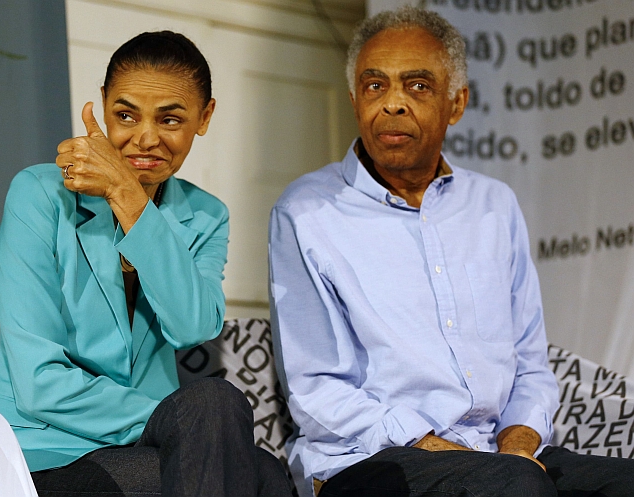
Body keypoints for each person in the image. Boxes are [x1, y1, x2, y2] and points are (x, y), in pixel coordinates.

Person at [268, 7, 634, 497]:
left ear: (456, 103)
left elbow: (529, 364)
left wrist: (518, 447)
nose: (392, 104)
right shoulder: (307, 211)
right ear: (355, 99)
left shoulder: (493, 206)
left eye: (417, 85)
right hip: (368, 460)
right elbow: (318, 391)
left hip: (499, 455)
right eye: (375, 86)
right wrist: (469, 460)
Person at [0, 31, 291, 497]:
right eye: (125, 115)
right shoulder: (40, 194)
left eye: (170, 119)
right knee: (228, 435)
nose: (146, 138)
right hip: (40, 445)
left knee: (258, 462)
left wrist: (130, 199)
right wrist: (176, 422)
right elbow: (38, 383)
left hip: (152, 445)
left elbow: (193, 326)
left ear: (204, 118)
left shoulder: (206, 216)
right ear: (102, 104)